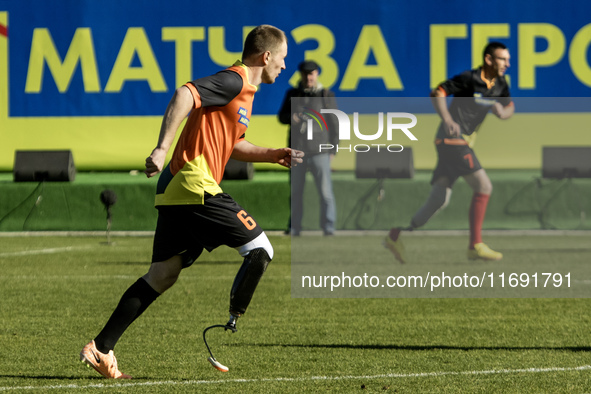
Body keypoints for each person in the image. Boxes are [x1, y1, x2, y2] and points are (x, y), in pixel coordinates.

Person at [80, 24, 303, 379]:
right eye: (283, 59)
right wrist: (161, 147)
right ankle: (233, 320)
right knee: (261, 248)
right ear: (266, 56)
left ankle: (101, 348)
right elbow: (185, 93)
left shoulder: (246, 93)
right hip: (192, 182)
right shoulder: (235, 81)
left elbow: (235, 146)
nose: (284, 66)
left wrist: (274, 153)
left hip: (178, 188)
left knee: (163, 274)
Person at [384, 42, 514, 263]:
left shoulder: (500, 83)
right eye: (503, 59)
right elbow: (438, 93)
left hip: (461, 144)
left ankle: (396, 235)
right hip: (450, 139)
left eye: (508, 59)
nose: (507, 64)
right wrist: (447, 119)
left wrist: (502, 112)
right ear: (489, 60)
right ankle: (475, 245)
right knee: (484, 186)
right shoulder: (469, 78)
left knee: (439, 200)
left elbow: (509, 106)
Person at [278, 60, 338, 236]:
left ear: (317, 74)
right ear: (301, 75)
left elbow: (335, 124)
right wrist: (292, 118)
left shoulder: (325, 95)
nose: (308, 77)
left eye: (311, 73)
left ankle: (328, 227)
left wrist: (333, 150)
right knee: (296, 192)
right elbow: (281, 117)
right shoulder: (292, 94)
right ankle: (295, 227)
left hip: (320, 152)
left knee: (326, 193)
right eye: (305, 73)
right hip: (297, 152)